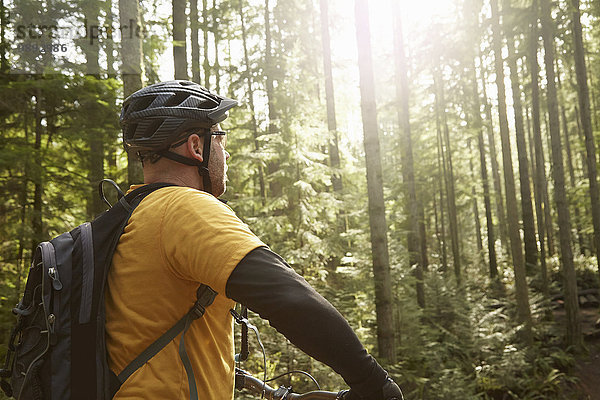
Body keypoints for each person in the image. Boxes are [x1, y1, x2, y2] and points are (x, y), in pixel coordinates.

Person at [106, 80, 403, 400]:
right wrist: (374, 384)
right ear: (196, 146)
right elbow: (289, 298)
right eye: (220, 137)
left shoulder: (124, 218)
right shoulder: (183, 209)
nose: (227, 152)